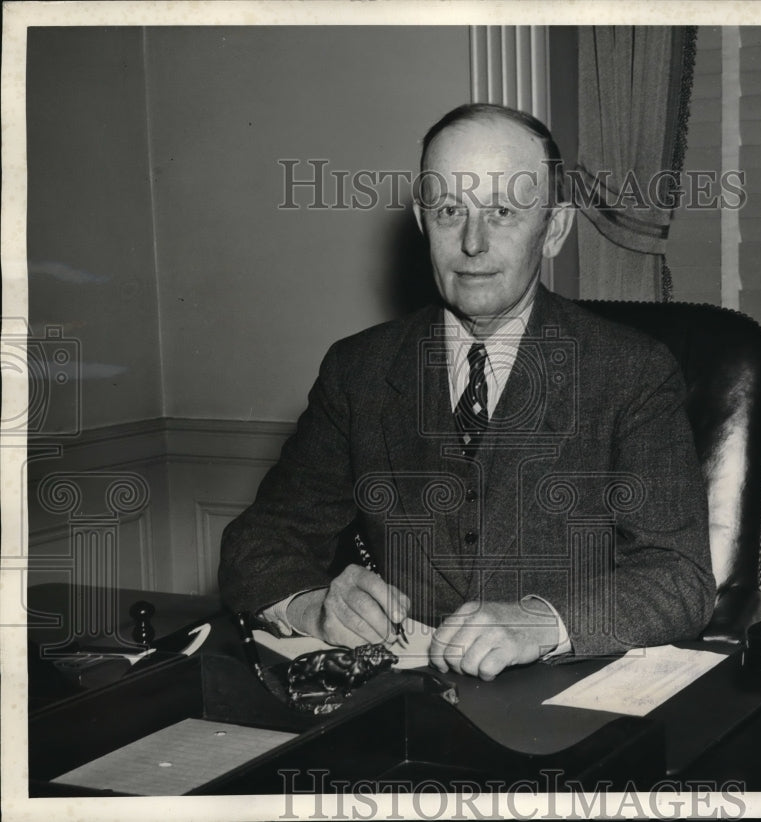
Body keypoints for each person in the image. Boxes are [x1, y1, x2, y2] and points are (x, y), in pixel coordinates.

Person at [218, 103, 714, 681]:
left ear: (553, 228)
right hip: (401, 700)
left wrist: (539, 622)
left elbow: (679, 577)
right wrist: (313, 607)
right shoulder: (359, 370)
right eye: (451, 209)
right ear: (424, 223)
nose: (473, 243)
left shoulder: (631, 371)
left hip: (565, 701)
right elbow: (258, 542)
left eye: (503, 211)